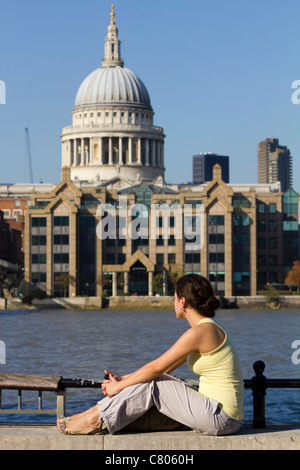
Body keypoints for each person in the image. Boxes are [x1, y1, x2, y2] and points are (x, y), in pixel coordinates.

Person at [57, 274, 244, 435]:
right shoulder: (206, 329)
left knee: (156, 382)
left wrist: (118, 387)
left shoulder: (200, 332)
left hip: (222, 417)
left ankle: (93, 420)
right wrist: (123, 379)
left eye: (174, 298)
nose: (173, 302)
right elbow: (166, 368)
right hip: (219, 414)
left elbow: (156, 368)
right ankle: (91, 414)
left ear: (183, 301)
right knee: (158, 378)